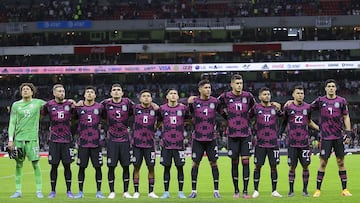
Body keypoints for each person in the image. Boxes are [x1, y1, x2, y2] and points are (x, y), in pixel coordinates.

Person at [311, 79, 352, 197]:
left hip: (338, 137)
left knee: (341, 162)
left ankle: (345, 190)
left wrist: (348, 133)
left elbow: (346, 117)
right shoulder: (320, 100)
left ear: (336, 88)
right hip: (326, 137)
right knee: (323, 163)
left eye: (333, 86)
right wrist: (292, 102)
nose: (331, 88)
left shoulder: (342, 101)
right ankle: (318, 190)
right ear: (325, 88)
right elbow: (307, 108)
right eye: (329, 86)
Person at [218, 74, 255, 199]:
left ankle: (245, 191)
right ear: (232, 84)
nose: (240, 85)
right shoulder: (225, 96)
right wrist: (226, 117)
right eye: (237, 83)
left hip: (245, 134)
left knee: (245, 162)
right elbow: (216, 106)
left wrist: (247, 119)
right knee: (234, 163)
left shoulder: (248, 96)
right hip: (232, 134)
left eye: (241, 83)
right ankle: (236, 191)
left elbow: (255, 109)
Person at [279, 85, 319, 197]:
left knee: (305, 166)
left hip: (305, 143)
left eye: (302, 93)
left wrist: (320, 128)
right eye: (298, 93)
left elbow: (309, 121)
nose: (300, 95)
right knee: (292, 166)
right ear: (293, 95)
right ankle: (291, 190)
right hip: (292, 143)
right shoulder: (288, 107)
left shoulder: (308, 107)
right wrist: (280, 133)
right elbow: (284, 122)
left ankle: (305, 190)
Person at [8, 83, 46, 198]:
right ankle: (18, 191)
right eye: (23, 89)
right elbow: (12, 122)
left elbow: (54, 105)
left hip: (32, 139)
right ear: (21, 92)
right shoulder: (16, 105)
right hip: (19, 139)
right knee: (18, 165)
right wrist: (10, 139)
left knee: (36, 164)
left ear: (32, 92)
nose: (25, 91)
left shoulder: (38, 103)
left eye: (27, 89)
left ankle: (39, 191)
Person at [188, 79, 222, 199]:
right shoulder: (193, 102)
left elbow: (224, 112)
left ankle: (216, 190)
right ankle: (193, 191)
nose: (208, 90)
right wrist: (188, 102)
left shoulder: (215, 102)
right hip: (197, 138)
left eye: (209, 87)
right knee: (195, 164)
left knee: (214, 163)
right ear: (200, 89)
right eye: (206, 87)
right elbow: (187, 114)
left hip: (211, 138)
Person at [42, 84, 76, 198]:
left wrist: (77, 104)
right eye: (59, 91)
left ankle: (69, 191)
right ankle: (52, 191)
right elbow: (40, 116)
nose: (62, 93)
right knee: (54, 166)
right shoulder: (49, 105)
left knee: (67, 166)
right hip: (54, 140)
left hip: (67, 140)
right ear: (54, 93)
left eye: (63, 91)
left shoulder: (70, 104)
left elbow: (78, 116)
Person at [101, 84, 134, 199]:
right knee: (111, 166)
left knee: (126, 166)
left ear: (122, 93)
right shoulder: (105, 104)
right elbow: (96, 112)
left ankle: (125, 191)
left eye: (118, 90)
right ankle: (112, 191)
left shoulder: (128, 103)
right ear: (110, 93)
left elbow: (138, 111)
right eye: (114, 90)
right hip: (112, 140)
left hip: (125, 139)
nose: (116, 92)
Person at [249, 87, 282, 198]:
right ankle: (256, 190)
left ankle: (274, 190)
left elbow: (286, 117)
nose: (267, 96)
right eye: (264, 94)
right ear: (260, 97)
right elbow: (246, 118)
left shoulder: (275, 108)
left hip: (273, 143)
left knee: (274, 167)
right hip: (260, 143)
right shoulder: (256, 108)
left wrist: (282, 106)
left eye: (268, 94)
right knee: (257, 166)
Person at [73, 86, 105, 199]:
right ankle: (80, 192)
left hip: (96, 143)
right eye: (88, 92)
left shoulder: (100, 107)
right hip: (83, 143)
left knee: (98, 168)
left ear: (95, 95)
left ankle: (99, 191)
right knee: (82, 168)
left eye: (92, 92)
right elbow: (72, 119)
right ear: (84, 95)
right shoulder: (79, 108)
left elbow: (107, 118)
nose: (90, 94)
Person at [157, 88, 189, 199]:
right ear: (167, 96)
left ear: (178, 96)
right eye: (171, 93)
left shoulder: (183, 108)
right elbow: (158, 122)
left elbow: (188, 120)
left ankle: (180, 192)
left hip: (179, 144)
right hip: (166, 144)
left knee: (180, 167)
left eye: (175, 93)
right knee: (166, 168)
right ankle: (166, 192)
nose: (173, 95)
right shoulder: (162, 109)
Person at [131, 89, 159, 199]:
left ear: (151, 99)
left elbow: (162, 119)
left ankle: (151, 192)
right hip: (137, 144)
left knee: (151, 168)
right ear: (140, 98)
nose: (146, 98)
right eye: (144, 96)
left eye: (148, 96)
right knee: (136, 167)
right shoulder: (134, 108)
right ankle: (136, 191)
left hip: (150, 144)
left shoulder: (156, 110)